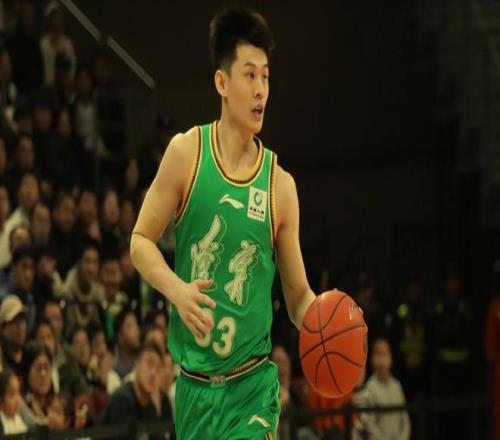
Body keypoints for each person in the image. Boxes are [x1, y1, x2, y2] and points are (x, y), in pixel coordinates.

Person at [130, 6, 317, 439]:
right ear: (221, 83)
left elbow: (298, 299)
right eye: (249, 75)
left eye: (266, 77)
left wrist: (328, 321)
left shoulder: (280, 186)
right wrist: (177, 290)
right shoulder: (187, 154)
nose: (261, 90)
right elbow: (140, 241)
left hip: (253, 389)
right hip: (194, 391)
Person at [99, 341, 170, 427]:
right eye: (149, 364)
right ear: (137, 365)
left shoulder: (151, 409)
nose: (153, 373)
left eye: (158, 368)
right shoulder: (122, 400)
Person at [354, 336, 411, 440]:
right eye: (378, 354)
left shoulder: (397, 386)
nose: (382, 360)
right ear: (372, 358)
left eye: (385, 354)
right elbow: (369, 425)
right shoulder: (368, 390)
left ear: (391, 357)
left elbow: (405, 420)